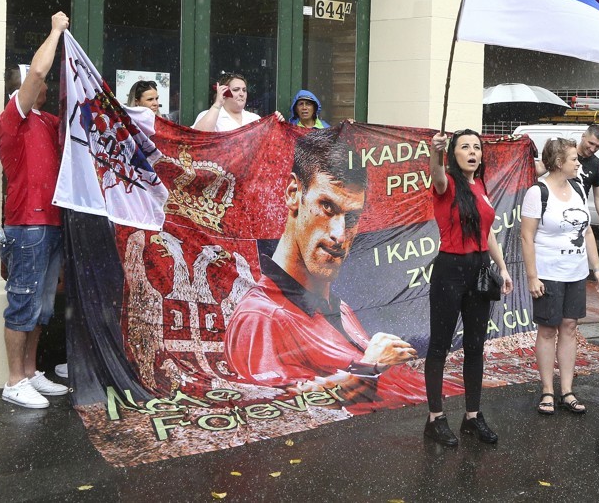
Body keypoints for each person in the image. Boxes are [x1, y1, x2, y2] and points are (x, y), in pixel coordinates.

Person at [224, 128, 443, 413]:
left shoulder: (339, 309)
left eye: (351, 217)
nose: (340, 234)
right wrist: (369, 367)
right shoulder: (260, 317)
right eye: (327, 207)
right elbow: (271, 410)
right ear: (294, 194)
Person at [0, 11, 71, 408]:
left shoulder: (47, 121)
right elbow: (39, 72)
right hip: (27, 225)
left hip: (53, 223)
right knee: (23, 301)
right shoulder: (13, 120)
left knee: (41, 305)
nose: (42, 86)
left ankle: (29, 373)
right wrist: (56, 30)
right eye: (33, 82)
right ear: (21, 87)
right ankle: (12, 381)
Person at [424, 130, 513, 446]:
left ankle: (472, 417)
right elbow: (436, 173)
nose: (473, 152)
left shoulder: (481, 185)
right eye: (465, 147)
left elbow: (487, 232)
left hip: (479, 272)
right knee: (440, 346)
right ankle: (435, 419)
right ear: (453, 154)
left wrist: (501, 268)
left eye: (477, 147)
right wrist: (436, 153)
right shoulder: (446, 183)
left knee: (476, 346)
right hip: (450, 271)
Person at [521, 138, 599, 417]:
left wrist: (596, 268)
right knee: (547, 330)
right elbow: (526, 237)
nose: (578, 163)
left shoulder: (579, 187)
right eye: (574, 160)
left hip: (576, 272)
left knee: (570, 328)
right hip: (548, 273)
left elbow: (587, 232)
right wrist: (532, 277)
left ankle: (567, 390)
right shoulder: (538, 192)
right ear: (559, 163)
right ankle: (547, 390)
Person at [193, 73, 269, 132]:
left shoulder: (254, 118)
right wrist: (217, 104)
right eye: (236, 90)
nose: (241, 94)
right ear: (224, 92)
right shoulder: (208, 115)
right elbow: (199, 137)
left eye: (244, 90)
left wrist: (278, 122)